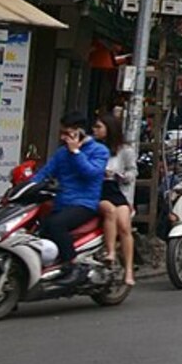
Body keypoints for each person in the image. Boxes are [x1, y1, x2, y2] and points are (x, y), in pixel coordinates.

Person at [31, 112, 109, 281]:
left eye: (67, 133)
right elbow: (45, 173)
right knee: (37, 228)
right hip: (62, 203)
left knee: (55, 224)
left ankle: (72, 264)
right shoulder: (61, 153)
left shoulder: (99, 151)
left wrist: (76, 152)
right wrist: (27, 187)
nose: (63, 137)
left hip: (85, 204)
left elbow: (91, 173)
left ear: (79, 132)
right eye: (63, 133)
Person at [93, 113, 136, 286]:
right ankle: (110, 252)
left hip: (115, 189)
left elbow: (133, 172)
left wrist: (120, 175)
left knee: (125, 227)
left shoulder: (124, 150)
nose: (95, 131)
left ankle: (129, 270)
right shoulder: (92, 147)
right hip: (98, 189)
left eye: (99, 127)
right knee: (109, 212)